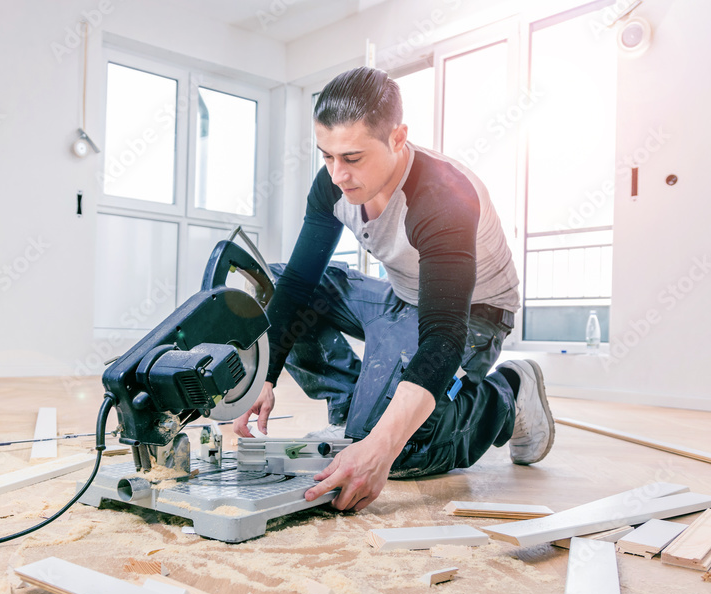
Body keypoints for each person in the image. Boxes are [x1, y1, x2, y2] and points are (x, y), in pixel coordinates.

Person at [234, 67, 555, 512]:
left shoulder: (443, 196)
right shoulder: (333, 182)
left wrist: (382, 447)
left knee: (398, 449)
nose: (337, 174)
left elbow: (444, 336)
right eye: (327, 156)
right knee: (268, 282)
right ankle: (350, 410)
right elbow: (298, 282)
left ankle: (508, 394)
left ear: (398, 138)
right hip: (401, 294)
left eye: (352, 158)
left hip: (473, 314)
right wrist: (262, 376)